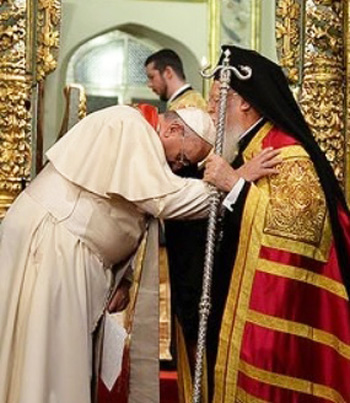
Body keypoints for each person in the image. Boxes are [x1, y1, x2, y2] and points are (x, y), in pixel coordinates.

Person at [0, 104, 217, 403]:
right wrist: (228, 187)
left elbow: (123, 210)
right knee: (47, 359)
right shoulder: (131, 125)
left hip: (67, 250)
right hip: (53, 248)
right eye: (181, 158)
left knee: (53, 358)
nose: (177, 167)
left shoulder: (138, 132)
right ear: (173, 129)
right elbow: (162, 201)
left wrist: (124, 277)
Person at [203, 45, 350, 402]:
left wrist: (233, 184)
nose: (209, 109)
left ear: (243, 102)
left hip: (276, 320)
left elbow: (296, 231)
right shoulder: (250, 148)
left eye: (214, 99)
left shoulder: (287, 153)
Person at [145, 48, 208, 368]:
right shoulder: (178, 110)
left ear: (169, 73)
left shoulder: (190, 112)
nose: (150, 85)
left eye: (152, 77)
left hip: (189, 220)